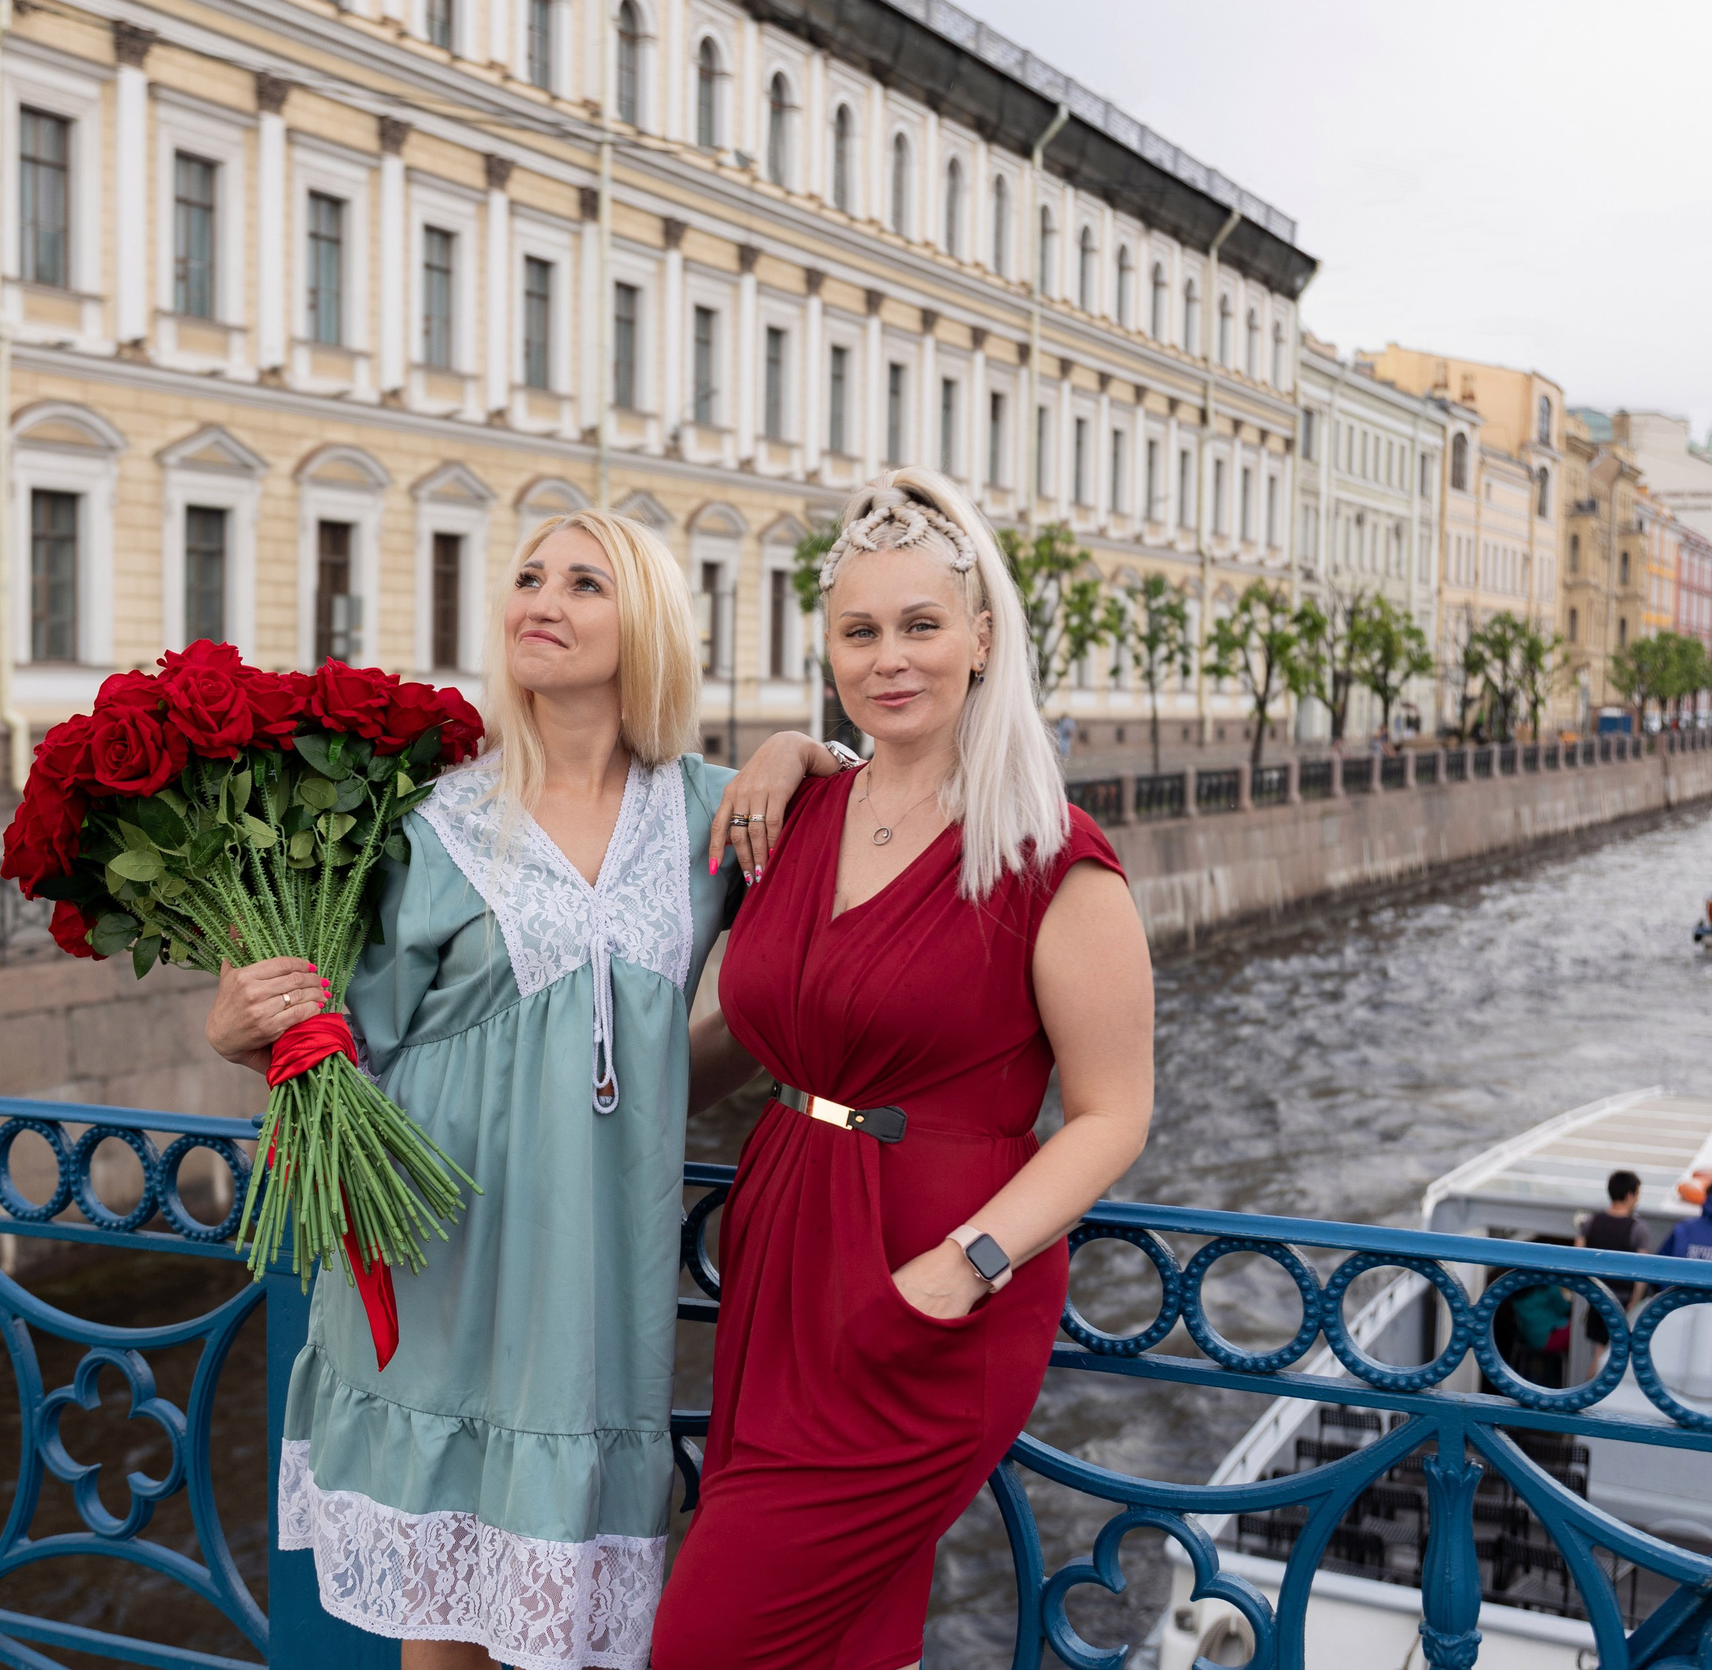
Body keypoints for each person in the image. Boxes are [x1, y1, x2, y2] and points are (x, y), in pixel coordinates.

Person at [203, 510, 848, 1670]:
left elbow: (787, 962)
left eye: (584, 582)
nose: (541, 600)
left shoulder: (711, 814)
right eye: (528, 578)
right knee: (446, 1637)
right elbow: (342, 1045)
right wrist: (244, 1032)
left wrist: (799, 747)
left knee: (569, 1633)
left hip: (595, 1288)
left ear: (643, 621)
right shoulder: (426, 822)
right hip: (437, 1250)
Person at [651, 469, 1155, 1670]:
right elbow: (758, 1041)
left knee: (702, 1647)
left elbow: (1112, 1113)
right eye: (860, 631)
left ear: (982, 639)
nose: (892, 657)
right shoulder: (799, 812)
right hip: (780, 1256)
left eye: (922, 625)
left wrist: (966, 1266)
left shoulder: (1049, 856)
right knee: (844, 1643)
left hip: (932, 1293)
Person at [1575, 1170, 1649, 1307]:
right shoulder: (1637, 1228)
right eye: (1637, 1195)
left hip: (1594, 1297)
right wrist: (1633, 1304)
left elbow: (1577, 1256)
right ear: (1629, 1195)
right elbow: (1641, 1272)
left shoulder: (1591, 1221)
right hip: (1622, 1302)